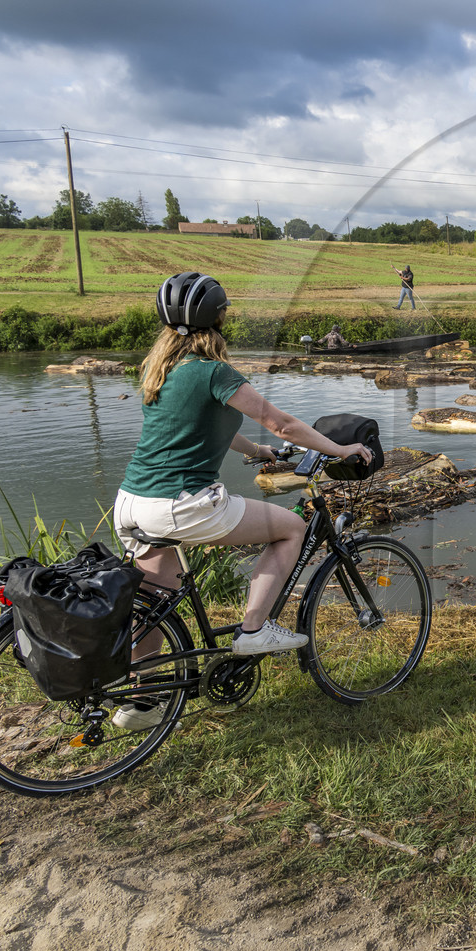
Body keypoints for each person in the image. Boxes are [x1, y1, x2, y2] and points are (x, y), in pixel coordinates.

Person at [112, 272, 373, 728]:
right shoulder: (213, 370)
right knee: (291, 528)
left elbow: (194, 426)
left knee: (156, 601)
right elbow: (281, 422)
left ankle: (142, 703)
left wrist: (256, 452)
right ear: (218, 319)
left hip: (133, 503)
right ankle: (254, 629)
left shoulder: (161, 369)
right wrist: (340, 449)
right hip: (185, 504)